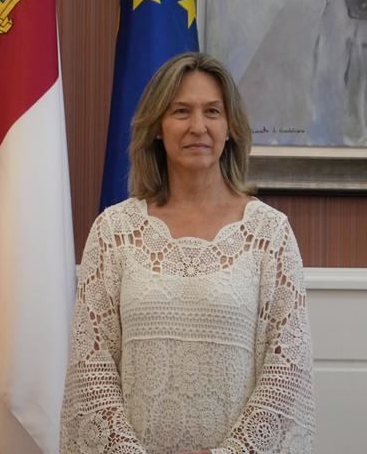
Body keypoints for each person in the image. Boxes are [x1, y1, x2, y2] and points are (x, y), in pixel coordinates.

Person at [60, 52, 315, 454]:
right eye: (181, 111)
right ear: (158, 127)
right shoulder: (114, 231)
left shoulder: (269, 234)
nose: (198, 126)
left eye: (212, 111)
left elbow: (286, 374)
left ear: (230, 127)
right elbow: (92, 368)